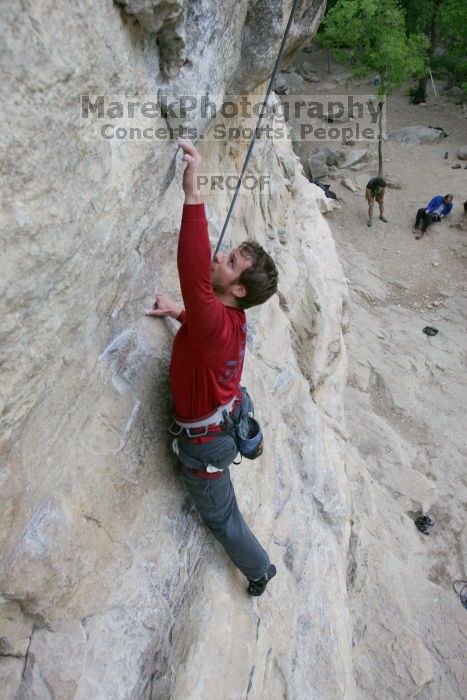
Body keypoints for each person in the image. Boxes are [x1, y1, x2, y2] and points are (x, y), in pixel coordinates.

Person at [146, 139, 278, 596]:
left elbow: (192, 267)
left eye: (232, 261)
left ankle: (260, 570)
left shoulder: (216, 320)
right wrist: (177, 314)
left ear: (238, 290)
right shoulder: (226, 322)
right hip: (220, 417)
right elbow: (202, 329)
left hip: (205, 448)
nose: (221, 256)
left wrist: (193, 192)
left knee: (223, 517)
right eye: (228, 253)